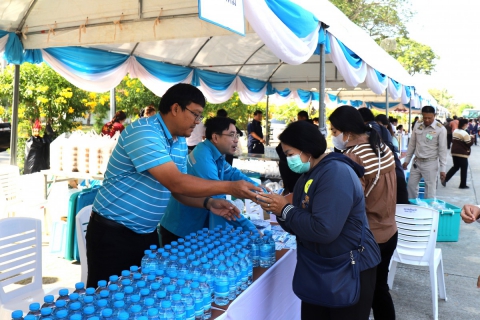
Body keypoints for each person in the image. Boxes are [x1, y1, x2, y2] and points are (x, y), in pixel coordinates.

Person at [86, 83, 260, 288]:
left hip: (146, 233)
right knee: (107, 300)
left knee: (141, 296)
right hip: (114, 234)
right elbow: (176, 182)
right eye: (195, 114)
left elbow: (176, 189)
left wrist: (208, 203)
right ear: (176, 108)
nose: (197, 122)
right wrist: (229, 188)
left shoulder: (178, 141)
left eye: (200, 116)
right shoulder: (143, 132)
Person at [255, 121, 380, 320]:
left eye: (290, 154)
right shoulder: (308, 175)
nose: (288, 160)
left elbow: (324, 229)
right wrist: (277, 209)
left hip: (349, 267)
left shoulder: (335, 173)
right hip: (321, 266)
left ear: (307, 150)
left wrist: (285, 209)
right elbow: (300, 222)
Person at [329, 106, 397, 320]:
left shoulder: (354, 156)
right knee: (379, 289)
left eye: (333, 131)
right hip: (390, 231)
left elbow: (349, 202)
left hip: (368, 238)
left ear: (346, 131)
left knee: (361, 297)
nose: (334, 137)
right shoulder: (380, 145)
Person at [160, 117, 257, 243]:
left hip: (196, 226)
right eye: (232, 135)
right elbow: (221, 201)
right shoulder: (203, 156)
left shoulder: (216, 154)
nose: (236, 140)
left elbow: (232, 174)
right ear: (215, 138)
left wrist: (260, 191)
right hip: (180, 228)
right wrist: (253, 231)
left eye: (237, 135)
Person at [358, 107, 409, 205]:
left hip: (384, 178)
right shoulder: (384, 130)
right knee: (401, 209)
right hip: (396, 172)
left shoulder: (367, 131)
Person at [402, 106, 448, 199]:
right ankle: (412, 207)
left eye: (429, 118)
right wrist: (407, 160)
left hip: (430, 163)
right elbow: (412, 144)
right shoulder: (418, 125)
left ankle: (428, 210)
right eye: (424, 117)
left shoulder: (440, 129)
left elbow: (442, 151)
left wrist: (443, 169)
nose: (426, 120)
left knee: (430, 190)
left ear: (434, 116)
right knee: (411, 186)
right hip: (417, 162)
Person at [443, 119, 473, 189]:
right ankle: (462, 184)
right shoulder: (464, 133)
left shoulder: (455, 131)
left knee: (455, 167)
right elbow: (469, 143)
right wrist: (472, 138)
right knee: (464, 169)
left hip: (454, 152)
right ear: (465, 124)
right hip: (462, 153)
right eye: (467, 124)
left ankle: (445, 178)